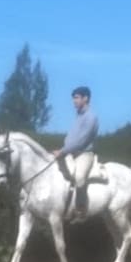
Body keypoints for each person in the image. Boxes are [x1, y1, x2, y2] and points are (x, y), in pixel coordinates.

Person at [53, 86, 100, 215]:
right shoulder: (79, 116)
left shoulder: (91, 117)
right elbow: (71, 138)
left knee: (79, 177)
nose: (74, 101)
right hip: (71, 153)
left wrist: (62, 151)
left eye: (77, 98)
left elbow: (81, 141)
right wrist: (62, 150)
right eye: (73, 98)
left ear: (86, 98)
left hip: (85, 154)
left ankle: (81, 209)